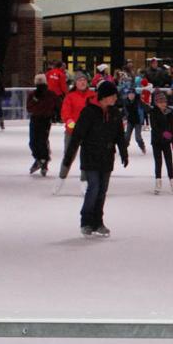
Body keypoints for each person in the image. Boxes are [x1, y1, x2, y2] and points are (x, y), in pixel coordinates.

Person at [59, 80, 129, 237]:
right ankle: (86, 221)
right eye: (113, 96)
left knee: (102, 191)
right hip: (91, 156)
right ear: (104, 97)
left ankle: (98, 221)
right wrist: (68, 158)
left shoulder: (115, 113)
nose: (115, 99)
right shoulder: (89, 112)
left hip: (107, 157)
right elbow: (77, 136)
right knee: (94, 188)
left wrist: (124, 152)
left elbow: (119, 135)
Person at [26, 74, 59, 175]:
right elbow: (29, 107)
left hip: (45, 119)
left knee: (42, 140)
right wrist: (35, 99)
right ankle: (40, 159)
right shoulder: (32, 94)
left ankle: (43, 160)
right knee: (33, 141)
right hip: (35, 119)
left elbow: (57, 104)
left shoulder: (51, 94)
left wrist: (55, 115)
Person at [148, 90, 173, 195]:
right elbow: (155, 127)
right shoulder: (153, 112)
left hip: (166, 142)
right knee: (158, 162)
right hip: (156, 141)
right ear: (156, 103)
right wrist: (167, 135)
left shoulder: (169, 112)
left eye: (164, 102)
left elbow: (172, 127)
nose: (163, 104)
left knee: (169, 162)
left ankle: (172, 181)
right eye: (160, 102)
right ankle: (158, 181)